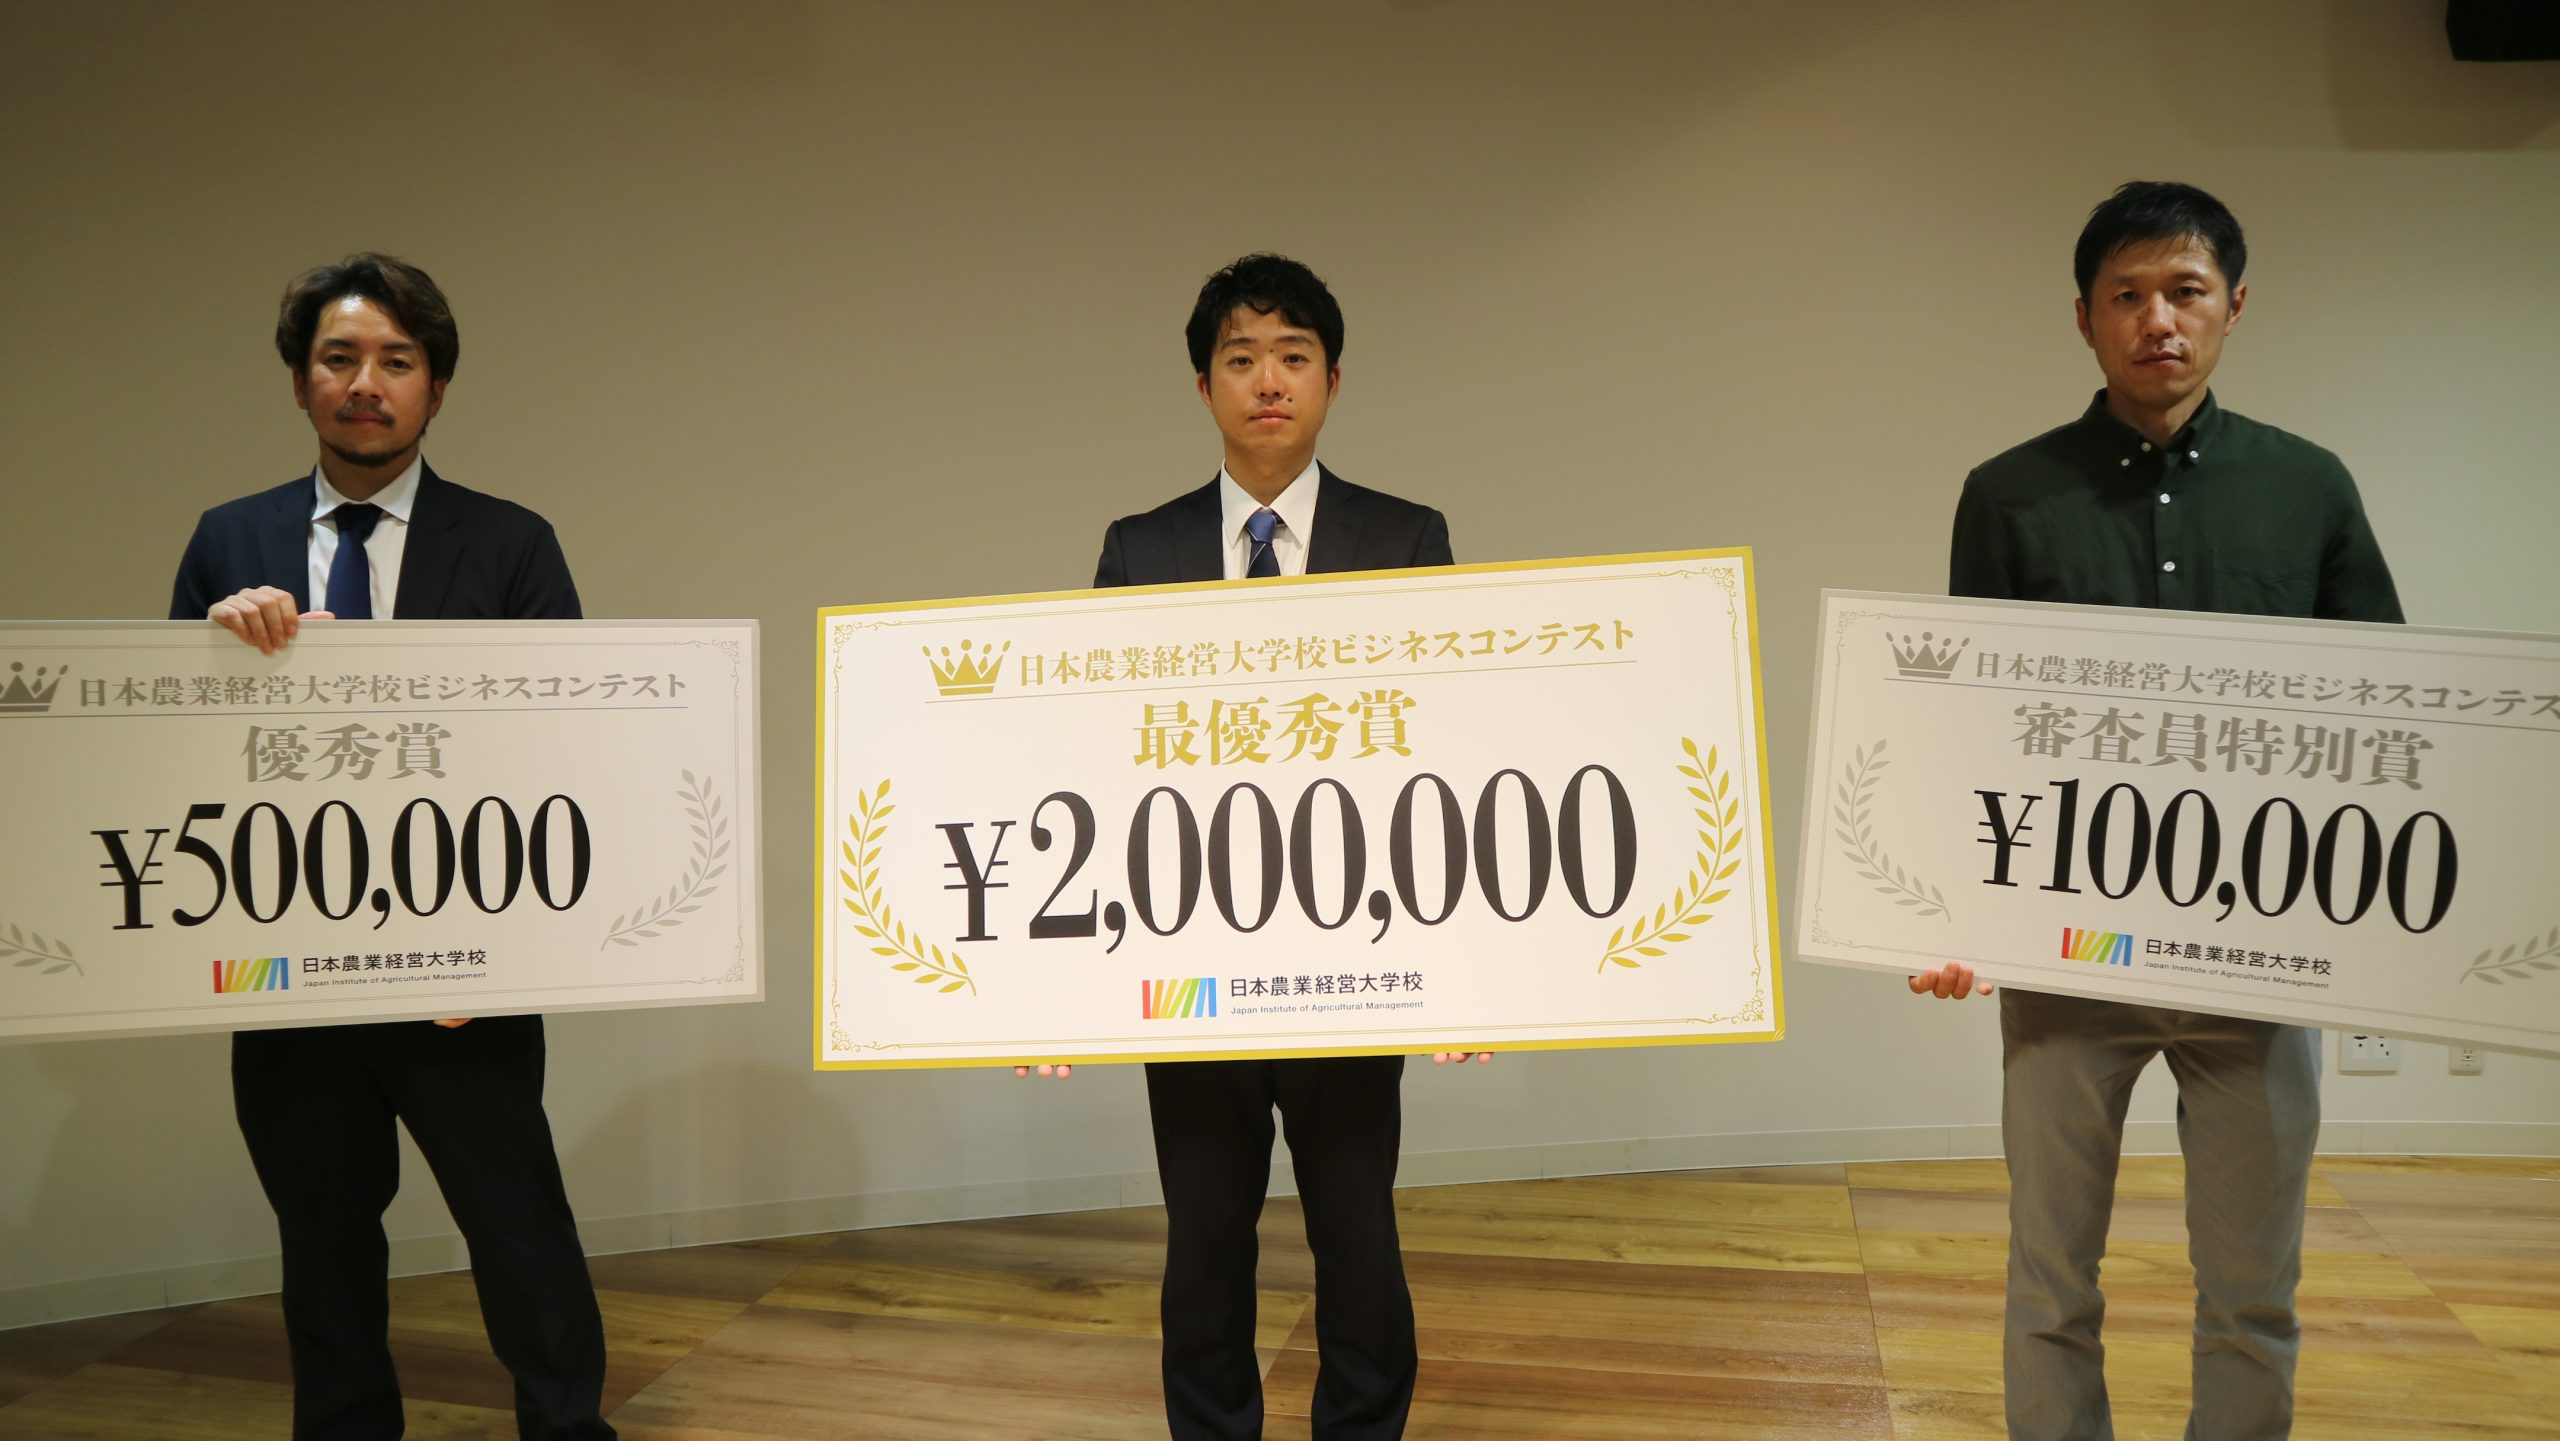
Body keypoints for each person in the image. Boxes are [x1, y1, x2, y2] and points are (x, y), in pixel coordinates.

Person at [1914, 182, 2402, 1441]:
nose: (2157, 321)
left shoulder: (2309, 487)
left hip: (2258, 952)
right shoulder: (2008, 493)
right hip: (2064, 952)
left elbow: (2387, 715)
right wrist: (1947, 909)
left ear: (2234, 304)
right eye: (2125, 295)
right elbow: (1968, 725)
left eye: (2184, 291)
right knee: (2049, 1277)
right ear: (2084, 318)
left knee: (2252, 1288)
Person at [169, 254, 613, 1441]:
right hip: (289, 978)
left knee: (519, 1227)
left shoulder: (511, 542)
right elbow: (171, 763)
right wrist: (210, 651)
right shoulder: (230, 541)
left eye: (396, 361)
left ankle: (569, 1430)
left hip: (465, 976)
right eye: (340, 358)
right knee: (320, 1239)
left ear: (435, 389)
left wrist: (506, 955)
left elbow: (566, 752)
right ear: (301, 382)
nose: (366, 383)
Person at [1055, 253, 1472, 1441]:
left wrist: (1471, 970)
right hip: (1191, 962)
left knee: (1357, 1229)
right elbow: (1093, 757)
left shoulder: (1404, 537)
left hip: (1355, 954)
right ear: (1204, 387)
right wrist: (1047, 989)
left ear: (1334, 379)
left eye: (1293, 356)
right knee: (1202, 1235)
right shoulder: (1139, 548)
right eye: (1240, 359)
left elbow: (1450, 750)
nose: (1269, 380)